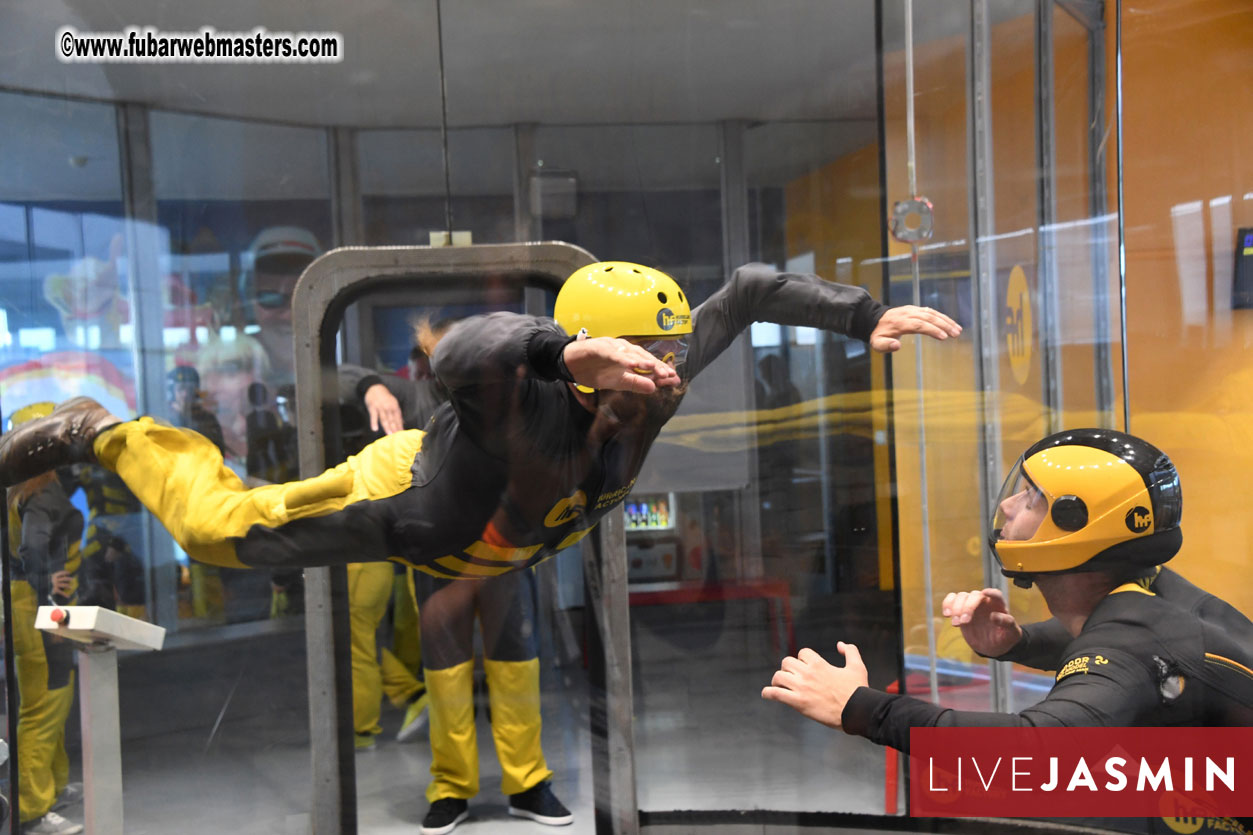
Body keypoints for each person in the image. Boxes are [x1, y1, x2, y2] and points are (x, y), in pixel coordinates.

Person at [761, 428, 1253, 746]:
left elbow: (1033, 747)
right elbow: (1111, 644)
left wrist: (859, 707)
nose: (1009, 508)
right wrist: (1018, 642)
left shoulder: (1131, 645)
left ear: (1076, 526)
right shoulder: (1146, 597)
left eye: (1032, 498)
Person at [345, 320, 572, 831]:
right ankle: (450, 787)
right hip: (439, 554)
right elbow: (338, 370)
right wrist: (371, 386)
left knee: (516, 664)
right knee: (445, 674)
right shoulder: (415, 392)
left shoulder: (512, 394)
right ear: (430, 360)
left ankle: (529, 783)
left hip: (503, 551)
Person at [6, 404, 86, 835]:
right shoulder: (39, 490)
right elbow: (34, 548)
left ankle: (50, 788)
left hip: (30, 604)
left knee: (48, 699)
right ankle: (32, 810)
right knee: (45, 704)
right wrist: (47, 582)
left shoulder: (17, 488)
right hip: (43, 608)